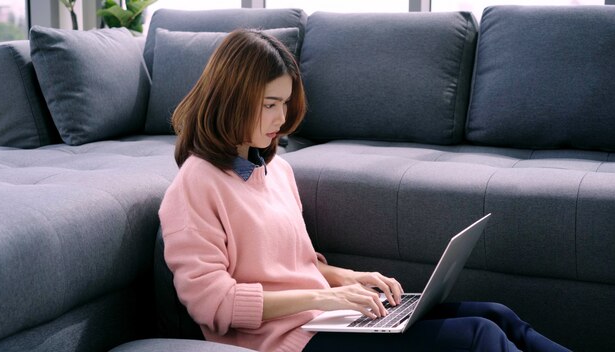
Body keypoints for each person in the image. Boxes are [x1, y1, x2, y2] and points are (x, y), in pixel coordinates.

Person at [158, 29, 570, 352]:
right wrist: (322, 301)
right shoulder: (196, 184)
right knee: (477, 337)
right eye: (270, 103)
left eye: (285, 103)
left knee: (496, 315)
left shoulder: (276, 170)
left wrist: (348, 278)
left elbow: (294, 264)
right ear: (232, 98)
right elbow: (212, 304)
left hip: (324, 318)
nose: (281, 119)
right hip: (286, 341)